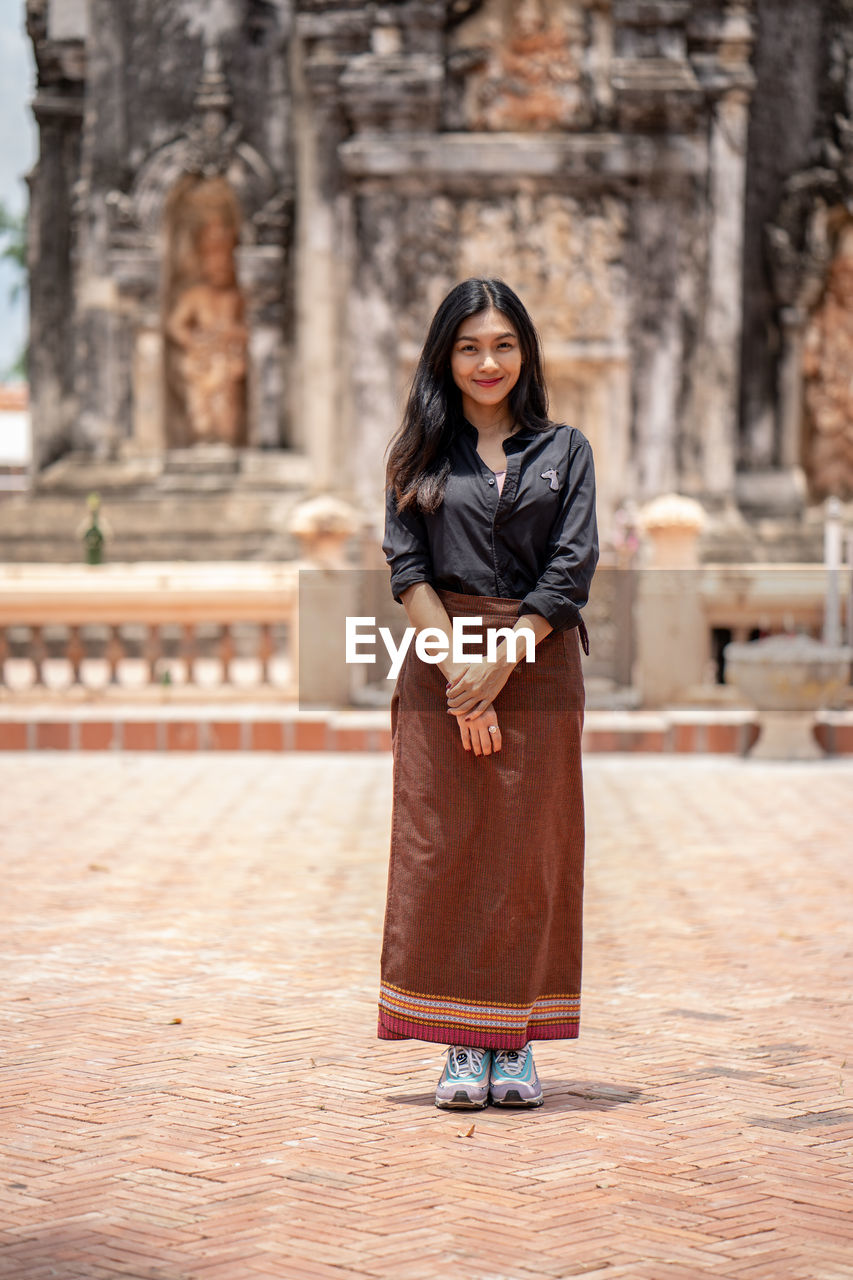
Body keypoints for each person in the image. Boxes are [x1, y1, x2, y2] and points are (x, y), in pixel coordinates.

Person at [379, 277, 599, 1110]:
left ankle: (514, 1044)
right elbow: (408, 572)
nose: (487, 361)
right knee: (444, 852)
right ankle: (457, 1048)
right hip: (440, 665)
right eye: (469, 345)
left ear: (524, 354)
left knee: (529, 855)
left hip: (537, 662)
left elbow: (570, 566)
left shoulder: (565, 450)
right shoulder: (414, 458)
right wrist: (460, 681)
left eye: (503, 344)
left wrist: (500, 665)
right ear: (445, 354)